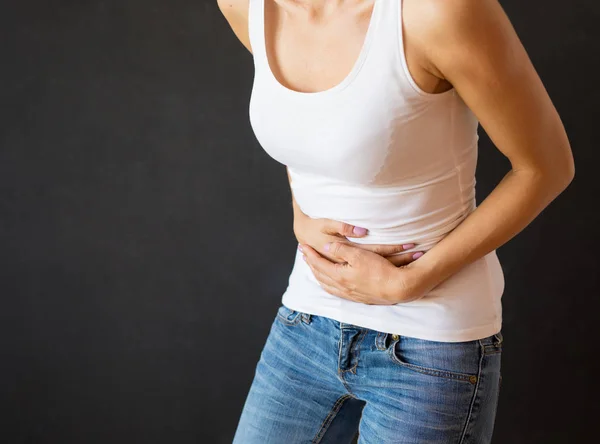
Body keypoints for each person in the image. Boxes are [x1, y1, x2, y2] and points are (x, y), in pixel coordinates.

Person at [218, 0, 574, 442]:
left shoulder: (439, 11)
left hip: (428, 344)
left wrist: (411, 281)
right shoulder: (244, 6)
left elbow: (547, 167)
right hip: (307, 322)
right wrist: (300, 216)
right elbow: (307, 129)